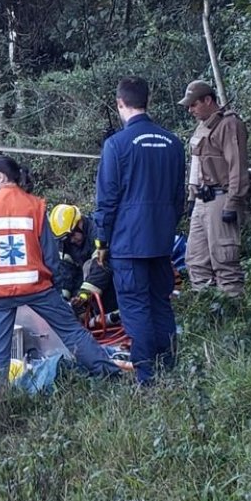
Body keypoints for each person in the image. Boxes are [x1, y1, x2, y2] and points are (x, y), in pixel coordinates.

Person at [0, 156, 121, 381]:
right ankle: (111, 376)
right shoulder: (36, 206)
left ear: (1, 177)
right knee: (72, 332)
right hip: (36, 287)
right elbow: (51, 256)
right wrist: (54, 288)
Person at [94, 77, 185, 385]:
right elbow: (178, 196)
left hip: (127, 245)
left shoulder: (116, 145)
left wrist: (101, 242)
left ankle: (147, 378)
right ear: (147, 101)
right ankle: (169, 367)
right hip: (161, 242)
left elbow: (107, 200)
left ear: (121, 104)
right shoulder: (173, 142)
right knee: (160, 302)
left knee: (135, 309)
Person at [178, 80, 250, 299]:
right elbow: (196, 162)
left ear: (208, 100)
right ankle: (208, 309)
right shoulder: (203, 125)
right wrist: (192, 197)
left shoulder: (229, 124)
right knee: (195, 259)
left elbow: (237, 165)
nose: (190, 110)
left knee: (225, 260)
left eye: (193, 104)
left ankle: (234, 312)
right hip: (201, 198)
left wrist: (234, 201)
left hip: (221, 196)